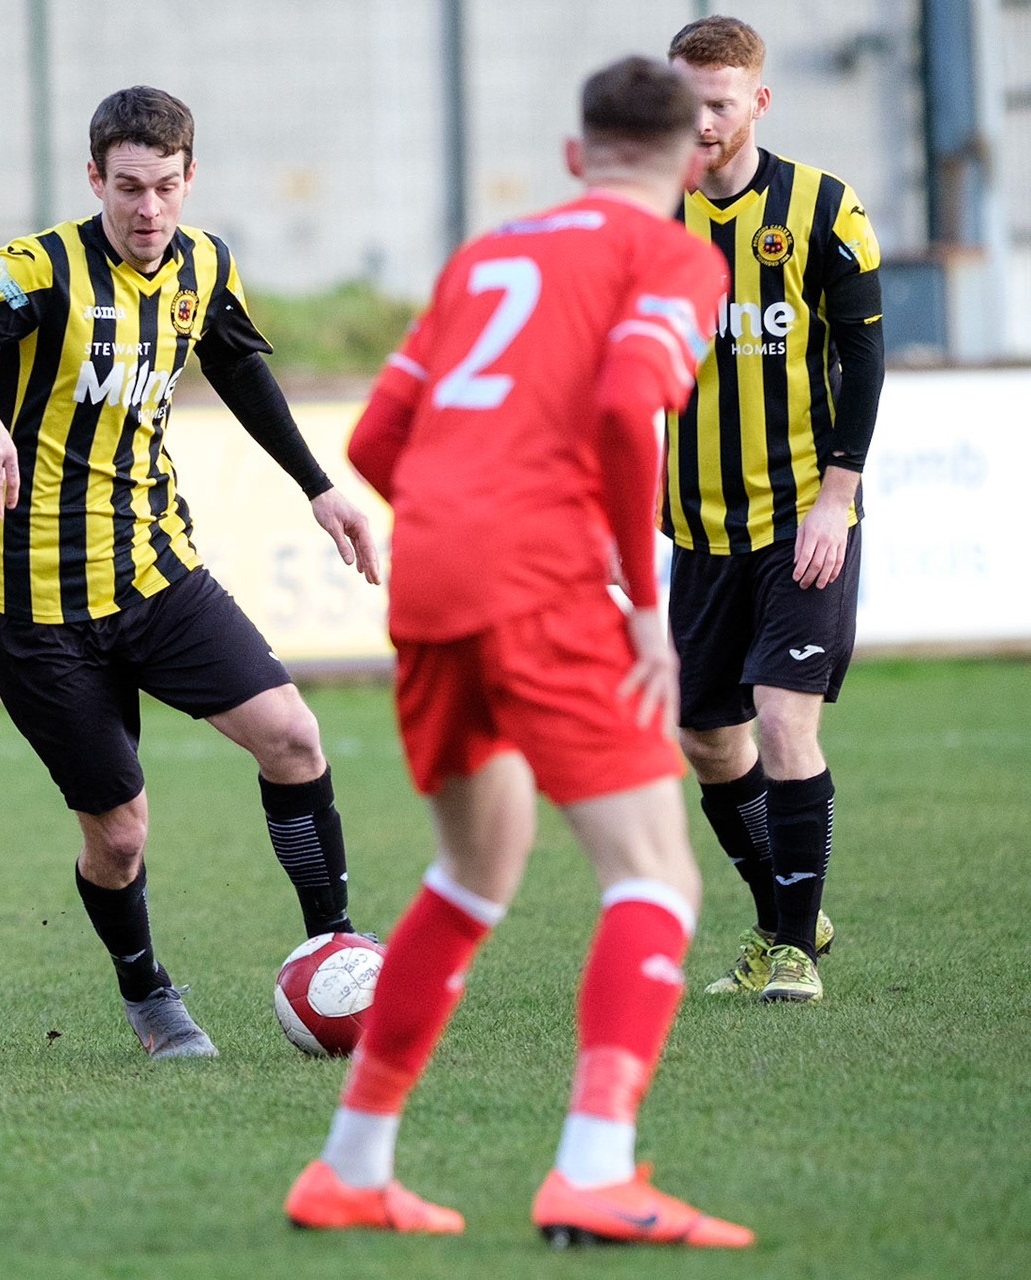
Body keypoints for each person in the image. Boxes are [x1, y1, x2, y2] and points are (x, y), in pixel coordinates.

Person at [284, 58, 753, 1246]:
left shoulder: (488, 252)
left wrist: (466, 515)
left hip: (433, 580)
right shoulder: (674, 255)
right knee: (656, 875)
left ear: (573, 156)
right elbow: (626, 403)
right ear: (689, 163)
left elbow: (378, 441)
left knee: (473, 871)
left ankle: (351, 1165)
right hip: (543, 583)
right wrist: (637, 593)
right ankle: (593, 1168)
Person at [0, 86, 382, 1059]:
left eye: (164, 186)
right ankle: (147, 989)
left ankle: (336, 949)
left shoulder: (205, 264)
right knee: (118, 836)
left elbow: (239, 369)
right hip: (36, 605)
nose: (147, 209)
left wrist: (319, 487)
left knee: (292, 735)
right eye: (127, 187)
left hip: (158, 571)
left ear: (190, 178)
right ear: (94, 179)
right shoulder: (38, 271)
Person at [665, 16, 882, 1004]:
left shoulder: (825, 209)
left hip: (802, 516)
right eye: (686, 103)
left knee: (785, 723)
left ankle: (793, 952)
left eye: (719, 103)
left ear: (758, 100)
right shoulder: (651, 218)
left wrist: (838, 499)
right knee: (709, 739)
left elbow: (864, 361)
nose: (701, 122)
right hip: (699, 526)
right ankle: (785, 917)